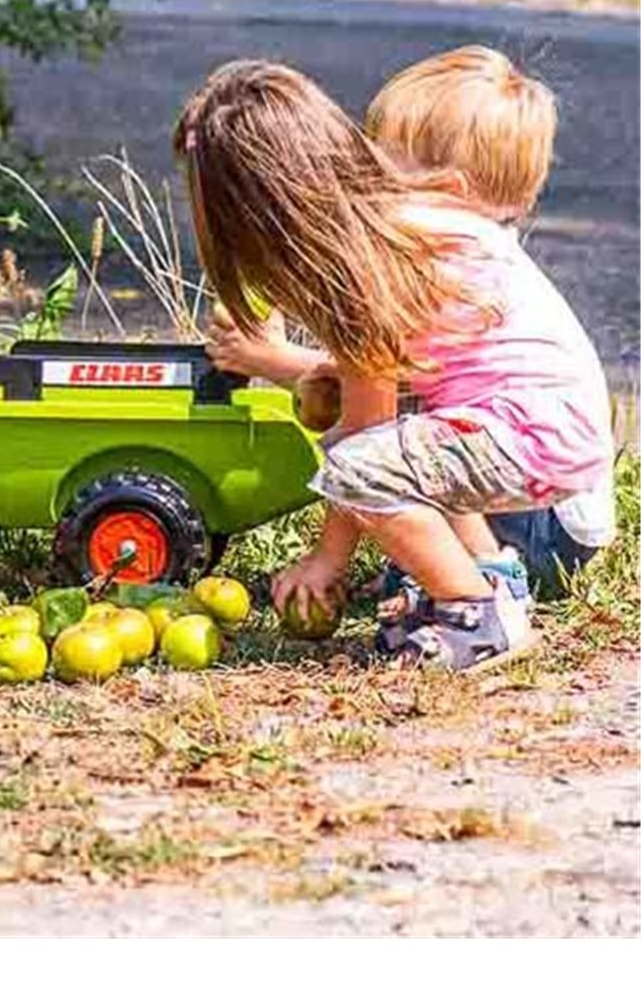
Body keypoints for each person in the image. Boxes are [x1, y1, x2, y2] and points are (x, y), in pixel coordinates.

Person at [174, 60, 611, 673]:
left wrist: (327, 561)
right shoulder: (395, 238)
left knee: (358, 462)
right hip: (549, 434)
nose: (371, 164)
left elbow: (364, 440)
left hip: (538, 448)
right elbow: (378, 400)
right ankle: (491, 575)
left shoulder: (374, 263)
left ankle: (475, 615)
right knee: (394, 434)